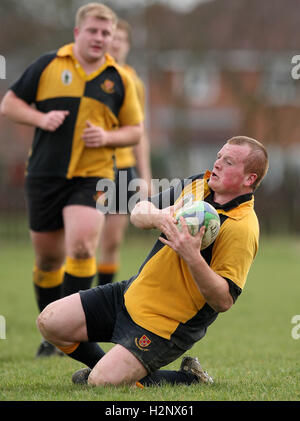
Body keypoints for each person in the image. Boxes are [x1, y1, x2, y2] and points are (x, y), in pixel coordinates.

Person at [36, 136, 268, 387]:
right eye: (219, 156)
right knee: (50, 322)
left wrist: (192, 256)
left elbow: (223, 300)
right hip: (131, 294)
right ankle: (107, 371)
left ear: (249, 179)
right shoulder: (197, 185)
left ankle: (189, 379)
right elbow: (138, 211)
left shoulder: (242, 227)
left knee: (100, 383)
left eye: (229, 161)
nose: (218, 164)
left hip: (165, 325)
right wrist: (158, 217)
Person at [0, 3, 143, 357]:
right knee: (48, 260)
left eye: (106, 33)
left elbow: (135, 130)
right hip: (45, 175)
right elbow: (9, 104)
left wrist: (107, 138)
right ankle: (53, 330)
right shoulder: (48, 64)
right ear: (78, 33)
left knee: (81, 247)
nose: (100, 38)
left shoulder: (120, 78)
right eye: (93, 31)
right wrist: (40, 118)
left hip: (93, 176)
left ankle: (77, 330)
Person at [97, 18, 153, 286]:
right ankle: (74, 298)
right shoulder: (92, 76)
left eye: (122, 39)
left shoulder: (134, 81)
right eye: (112, 38)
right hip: (92, 167)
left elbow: (140, 134)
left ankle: (101, 298)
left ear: (128, 46)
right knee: (84, 239)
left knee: (113, 240)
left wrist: (146, 176)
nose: (116, 44)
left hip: (122, 168)